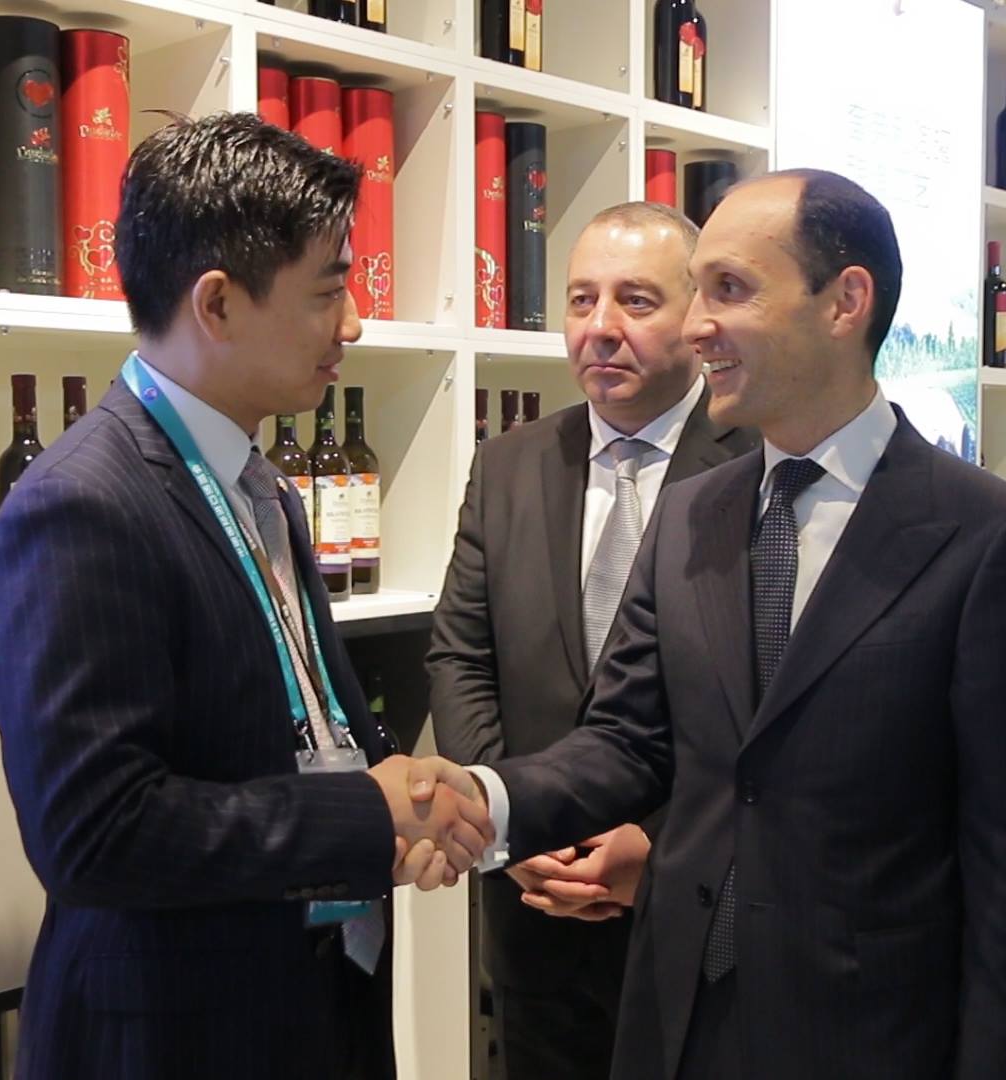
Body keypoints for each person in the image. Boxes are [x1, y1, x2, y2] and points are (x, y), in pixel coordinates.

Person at [420, 168, 1006, 1078]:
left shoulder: (991, 537)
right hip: (677, 1023)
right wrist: (483, 801)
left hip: (871, 1038)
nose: (697, 326)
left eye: (728, 289)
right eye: (696, 292)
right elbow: (627, 740)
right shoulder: (693, 513)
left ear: (845, 302)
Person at [0, 113, 489, 1080]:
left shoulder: (256, 485)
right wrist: (364, 817)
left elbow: (287, 730)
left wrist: (407, 804)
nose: (353, 324)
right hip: (177, 1034)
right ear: (216, 303)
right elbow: (95, 833)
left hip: (310, 1007)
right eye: (328, 292)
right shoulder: (81, 505)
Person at [426, 201, 757, 1079]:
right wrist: (509, 824)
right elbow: (460, 658)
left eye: (635, 301)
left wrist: (659, 844)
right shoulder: (508, 464)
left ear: (695, 315)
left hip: (694, 912)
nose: (600, 327)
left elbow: (765, 704)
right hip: (532, 914)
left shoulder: (760, 467)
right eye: (581, 300)